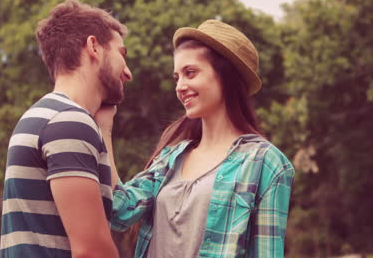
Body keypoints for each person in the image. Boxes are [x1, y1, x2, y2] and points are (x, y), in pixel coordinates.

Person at [109, 20, 295, 257]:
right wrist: (104, 126)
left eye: (190, 73)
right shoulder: (170, 159)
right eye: (177, 77)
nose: (180, 86)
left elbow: (267, 253)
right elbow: (118, 210)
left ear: (226, 77)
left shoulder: (266, 163)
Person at [0, 0, 132, 258]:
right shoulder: (69, 123)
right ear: (94, 46)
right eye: (122, 54)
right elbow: (92, 251)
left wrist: (103, 128)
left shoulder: (44, 116)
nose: (128, 72)